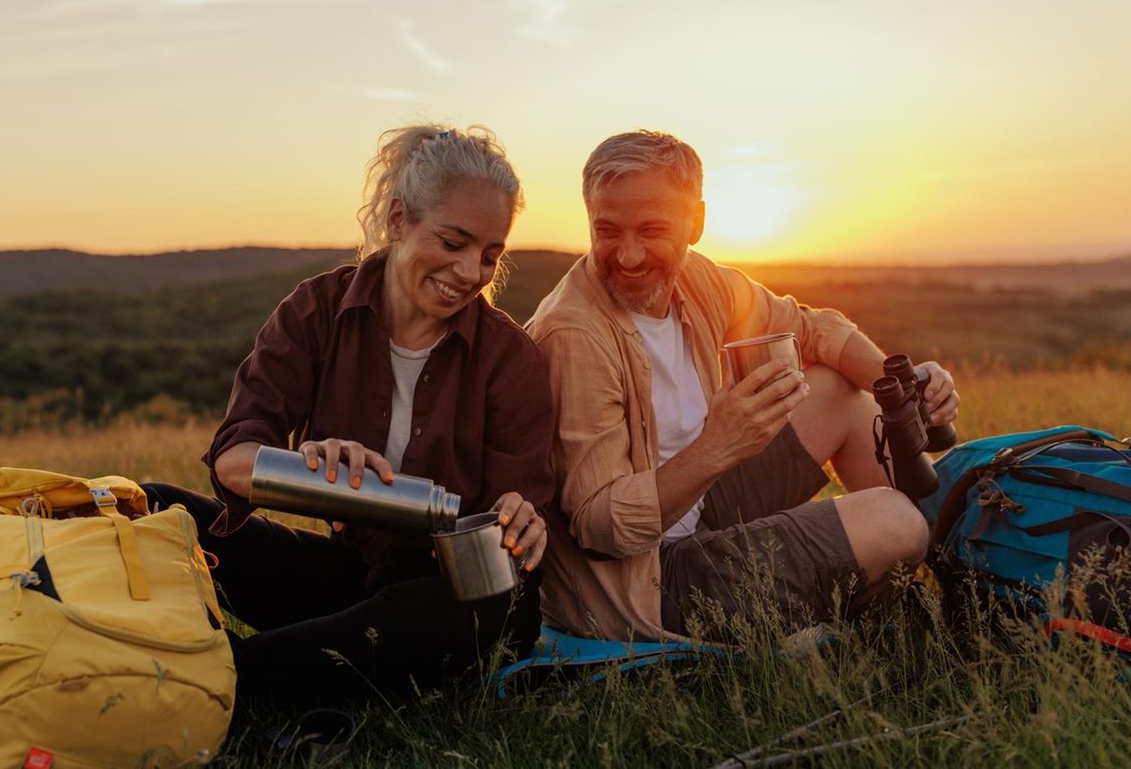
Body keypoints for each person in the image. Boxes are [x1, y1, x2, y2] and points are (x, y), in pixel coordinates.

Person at [143, 124, 554, 705]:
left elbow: (516, 527)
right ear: (397, 220)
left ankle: (210, 684)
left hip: (449, 596)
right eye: (454, 242)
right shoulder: (316, 311)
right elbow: (235, 457)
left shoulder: (510, 358)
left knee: (488, 607)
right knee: (154, 508)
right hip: (352, 579)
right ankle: (307, 677)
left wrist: (520, 517)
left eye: (490, 255)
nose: (470, 273)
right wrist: (309, 465)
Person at [526, 130, 959, 642]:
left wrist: (901, 387)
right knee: (897, 522)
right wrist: (720, 446)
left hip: (701, 508)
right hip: (645, 581)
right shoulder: (575, 335)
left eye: (651, 230)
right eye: (608, 231)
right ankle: (886, 606)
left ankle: (957, 582)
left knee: (838, 392)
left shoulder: (697, 281)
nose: (629, 255)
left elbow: (813, 328)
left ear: (697, 223)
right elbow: (601, 527)